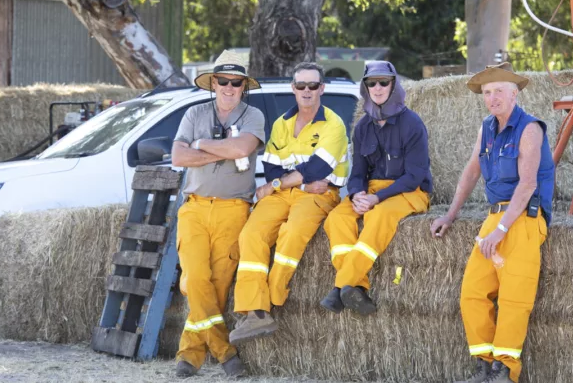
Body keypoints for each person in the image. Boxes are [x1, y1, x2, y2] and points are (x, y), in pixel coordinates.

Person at [430, 62, 555, 383]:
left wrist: (501, 230)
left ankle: (504, 370)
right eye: (487, 92)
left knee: (514, 299)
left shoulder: (530, 128)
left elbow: (527, 186)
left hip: (524, 219)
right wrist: (450, 214)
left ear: (514, 94)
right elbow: (472, 171)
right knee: (472, 293)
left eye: (499, 90)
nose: (493, 97)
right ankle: (483, 366)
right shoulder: (487, 127)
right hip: (494, 216)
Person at [229, 62, 351, 344]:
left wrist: (282, 184)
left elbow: (317, 169)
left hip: (320, 194)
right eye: (301, 86)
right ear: (292, 89)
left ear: (321, 88)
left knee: (292, 232)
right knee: (251, 234)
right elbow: (272, 168)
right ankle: (256, 311)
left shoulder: (334, 125)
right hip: (289, 192)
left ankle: (271, 299)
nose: (306, 91)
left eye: (312, 86)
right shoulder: (281, 124)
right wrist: (293, 182)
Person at [170, 50, 266, 379]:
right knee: (196, 279)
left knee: (218, 286)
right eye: (222, 80)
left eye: (235, 82)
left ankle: (189, 355)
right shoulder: (194, 113)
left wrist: (200, 145)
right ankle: (225, 352)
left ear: (243, 86)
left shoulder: (253, 116)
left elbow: (240, 150)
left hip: (234, 209)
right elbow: (178, 157)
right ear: (213, 83)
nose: (228, 86)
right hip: (194, 208)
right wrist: (214, 148)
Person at [319, 61, 432, 315]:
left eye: (384, 82)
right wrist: (358, 193)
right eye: (372, 82)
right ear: (365, 87)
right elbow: (357, 172)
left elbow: (414, 176)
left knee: (378, 215)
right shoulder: (362, 127)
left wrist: (376, 199)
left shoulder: (412, 124)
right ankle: (356, 286)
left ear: (393, 85)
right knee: (337, 218)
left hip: (409, 191)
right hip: (371, 190)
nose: (378, 87)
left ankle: (340, 287)